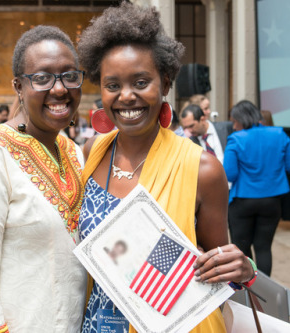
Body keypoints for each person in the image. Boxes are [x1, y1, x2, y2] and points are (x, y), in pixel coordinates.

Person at [77, 4, 255, 332]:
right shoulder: (94, 151)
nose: (126, 96)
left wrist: (242, 269)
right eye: (112, 85)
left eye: (141, 82)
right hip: (97, 323)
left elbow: (218, 273)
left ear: (166, 83)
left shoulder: (202, 169)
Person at [0, 26, 87, 332]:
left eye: (69, 75)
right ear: (18, 86)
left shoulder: (73, 152)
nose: (60, 88)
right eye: (42, 78)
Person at [223, 100, 290, 277]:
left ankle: (248, 292)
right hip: (272, 201)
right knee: (264, 248)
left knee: (241, 249)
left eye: (235, 121)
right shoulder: (279, 134)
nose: (234, 126)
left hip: (242, 201)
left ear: (242, 119)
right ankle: (266, 293)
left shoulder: (236, 139)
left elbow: (230, 174)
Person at [187, 94, 232, 163]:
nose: (209, 111)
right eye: (205, 109)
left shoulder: (226, 127)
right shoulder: (191, 142)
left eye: (208, 108)